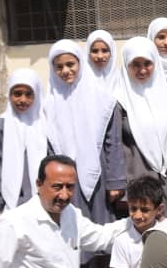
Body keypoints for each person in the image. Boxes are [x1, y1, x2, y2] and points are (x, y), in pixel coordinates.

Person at [44, 39, 125, 226]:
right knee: (70, 225)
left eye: (70, 64)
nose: (65, 71)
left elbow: (113, 143)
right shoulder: (48, 105)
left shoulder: (103, 101)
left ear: (80, 63)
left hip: (99, 173)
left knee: (101, 226)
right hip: (64, 177)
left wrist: (115, 182)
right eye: (59, 67)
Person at [115, 37, 167, 214]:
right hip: (135, 179)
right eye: (135, 64)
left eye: (147, 63)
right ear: (126, 65)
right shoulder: (119, 100)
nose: (142, 70)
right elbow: (114, 147)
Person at [0, 68, 49, 213]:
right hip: (13, 201)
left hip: (44, 198)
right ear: (9, 95)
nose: (23, 100)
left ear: (37, 95)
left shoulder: (45, 124)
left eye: (29, 94)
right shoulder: (2, 125)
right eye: (17, 94)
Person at [111, 175, 165, 268]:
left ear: (159, 209)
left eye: (145, 210)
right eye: (133, 208)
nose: (137, 215)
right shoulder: (122, 241)